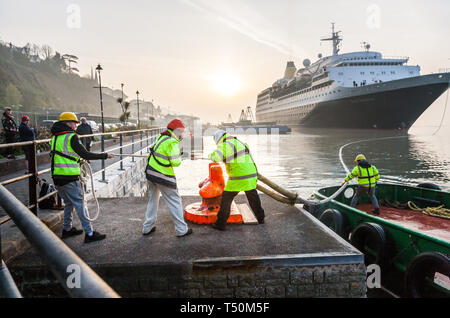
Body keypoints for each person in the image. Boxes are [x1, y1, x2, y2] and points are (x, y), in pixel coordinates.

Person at [50, 112, 114, 243]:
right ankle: (89, 233)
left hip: (57, 177)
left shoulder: (55, 137)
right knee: (80, 204)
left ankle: (67, 229)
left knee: (68, 203)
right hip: (69, 177)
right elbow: (85, 154)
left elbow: (64, 154)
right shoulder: (71, 137)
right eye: (74, 123)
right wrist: (105, 155)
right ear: (67, 123)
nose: (75, 126)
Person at [143, 119, 192, 237]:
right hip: (162, 175)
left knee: (153, 200)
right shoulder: (172, 142)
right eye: (181, 132)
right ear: (177, 130)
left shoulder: (161, 138)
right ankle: (181, 230)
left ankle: (147, 228)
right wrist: (180, 155)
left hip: (151, 173)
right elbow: (176, 162)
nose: (182, 135)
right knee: (174, 200)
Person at [209, 130, 265, 231]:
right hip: (252, 174)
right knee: (253, 197)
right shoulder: (239, 142)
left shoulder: (225, 144)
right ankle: (261, 218)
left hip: (238, 177)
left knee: (226, 198)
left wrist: (210, 156)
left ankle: (220, 224)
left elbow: (216, 158)